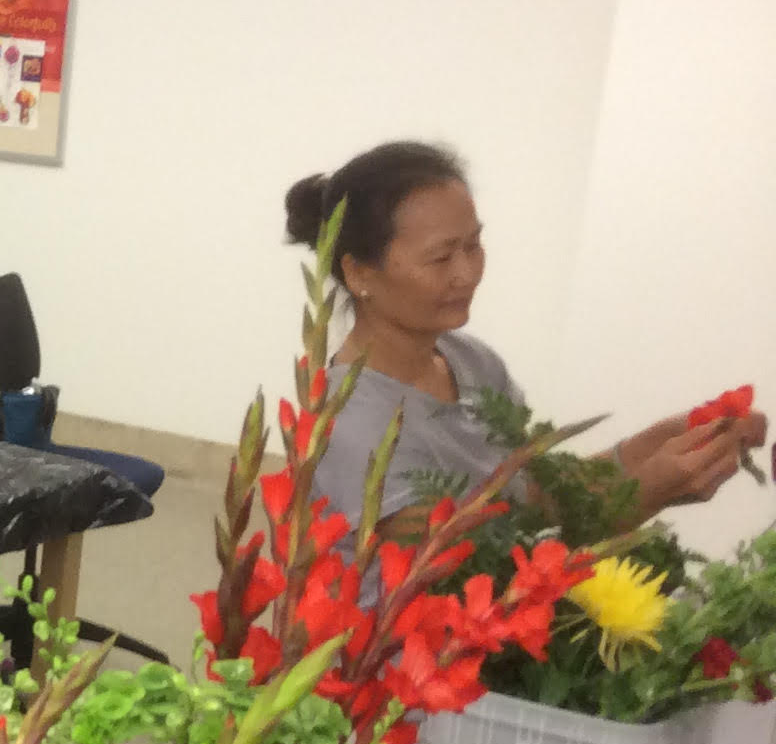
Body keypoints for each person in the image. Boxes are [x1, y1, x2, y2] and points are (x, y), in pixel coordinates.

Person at [288, 141, 766, 523]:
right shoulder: (345, 422)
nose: (466, 272)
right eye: (440, 257)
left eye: (474, 245)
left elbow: (538, 494)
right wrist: (646, 496)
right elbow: (472, 572)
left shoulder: (473, 363)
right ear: (359, 274)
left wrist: (660, 441)